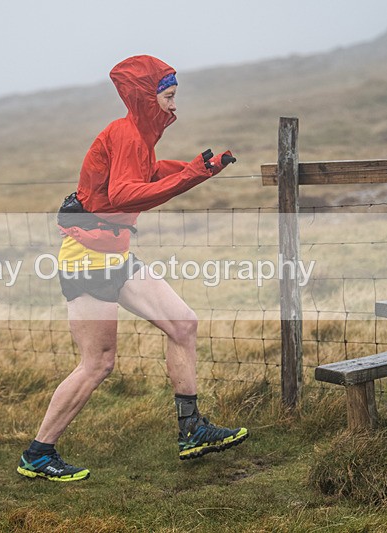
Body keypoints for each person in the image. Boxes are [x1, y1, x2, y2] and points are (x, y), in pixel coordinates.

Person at [17, 55, 248, 482]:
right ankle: (38, 453)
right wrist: (193, 175)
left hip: (116, 255)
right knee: (99, 362)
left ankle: (192, 430)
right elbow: (125, 194)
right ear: (147, 97)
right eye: (170, 97)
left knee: (183, 324)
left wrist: (203, 169)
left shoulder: (139, 138)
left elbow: (152, 171)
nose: (176, 107)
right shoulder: (125, 134)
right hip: (88, 258)